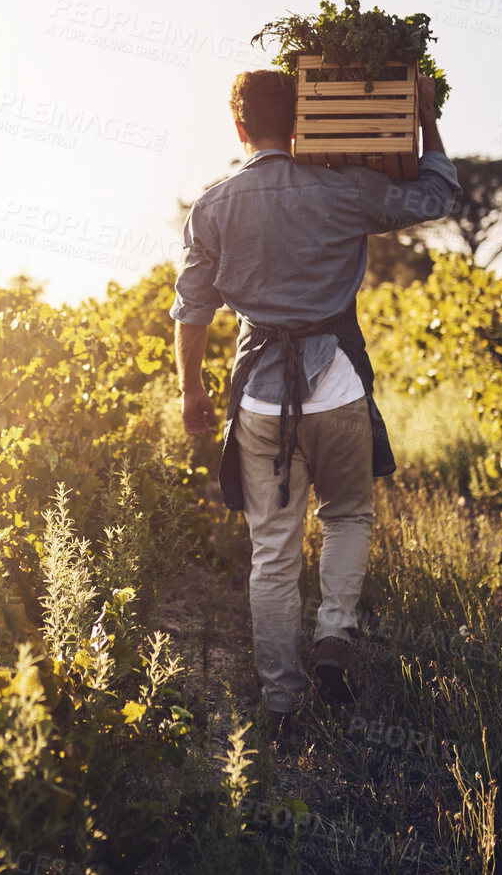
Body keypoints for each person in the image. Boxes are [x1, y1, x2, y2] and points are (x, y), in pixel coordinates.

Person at [169, 68, 459, 732]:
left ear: (238, 128)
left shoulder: (212, 207)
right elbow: (438, 195)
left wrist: (191, 389)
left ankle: (279, 702)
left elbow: (192, 310)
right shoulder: (344, 188)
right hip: (339, 388)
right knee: (348, 514)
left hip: (260, 402)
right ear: (299, 123)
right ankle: (334, 635)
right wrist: (423, 116)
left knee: (272, 551)